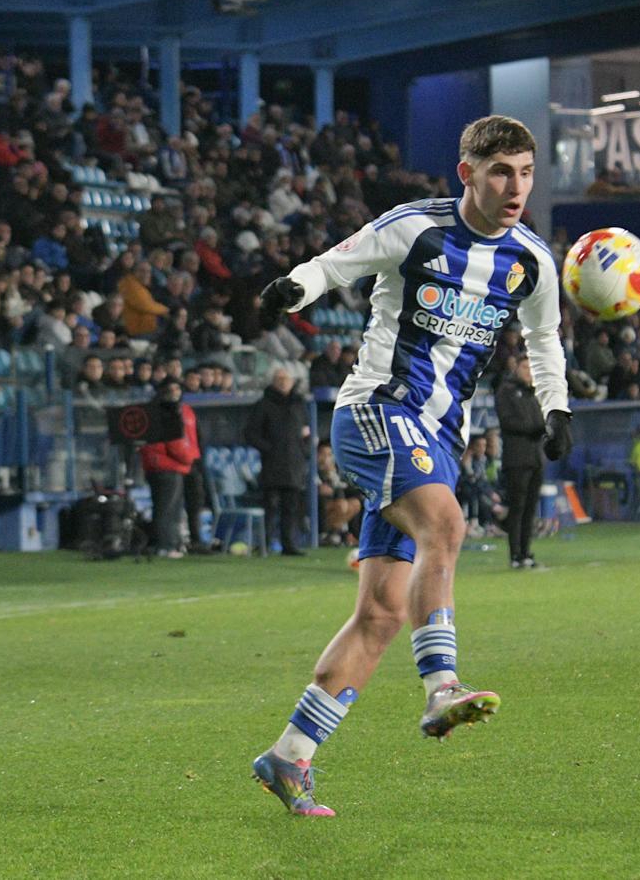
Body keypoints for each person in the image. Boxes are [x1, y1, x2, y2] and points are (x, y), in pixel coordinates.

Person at [247, 114, 571, 816]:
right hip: (376, 410)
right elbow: (339, 261)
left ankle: (289, 756)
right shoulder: (414, 228)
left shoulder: (531, 261)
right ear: (468, 174)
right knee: (447, 527)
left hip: (439, 437)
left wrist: (558, 411)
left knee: (383, 613)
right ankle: (442, 687)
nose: (515, 187)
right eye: (500, 173)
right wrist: (294, 288)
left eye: (524, 173)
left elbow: (544, 341)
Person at [245, 367, 311, 557]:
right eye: (279, 379)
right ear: (273, 382)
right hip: (273, 464)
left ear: (292, 382)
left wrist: (303, 450)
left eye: (286, 379)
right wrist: (269, 449)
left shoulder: (298, 404)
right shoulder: (264, 405)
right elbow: (250, 433)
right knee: (270, 506)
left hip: (294, 464)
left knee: (291, 508)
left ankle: (288, 545)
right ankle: (264, 545)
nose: (283, 382)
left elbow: (306, 431)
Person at [494, 355, 546, 568]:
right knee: (517, 508)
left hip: (535, 457)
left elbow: (540, 421)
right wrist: (536, 427)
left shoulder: (532, 394)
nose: (529, 372)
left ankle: (525, 552)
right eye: (525, 367)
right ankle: (515, 555)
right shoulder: (506, 391)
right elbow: (509, 422)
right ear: (516, 367)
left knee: (530, 508)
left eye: (531, 368)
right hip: (516, 458)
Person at [140, 378, 198, 558]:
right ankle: (167, 545)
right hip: (168, 465)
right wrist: (189, 458)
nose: (175, 392)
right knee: (168, 509)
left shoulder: (155, 410)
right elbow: (175, 443)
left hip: (163, 466)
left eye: (177, 388)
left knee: (166, 507)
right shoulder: (167, 411)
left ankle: (168, 544)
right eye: (171, 388)